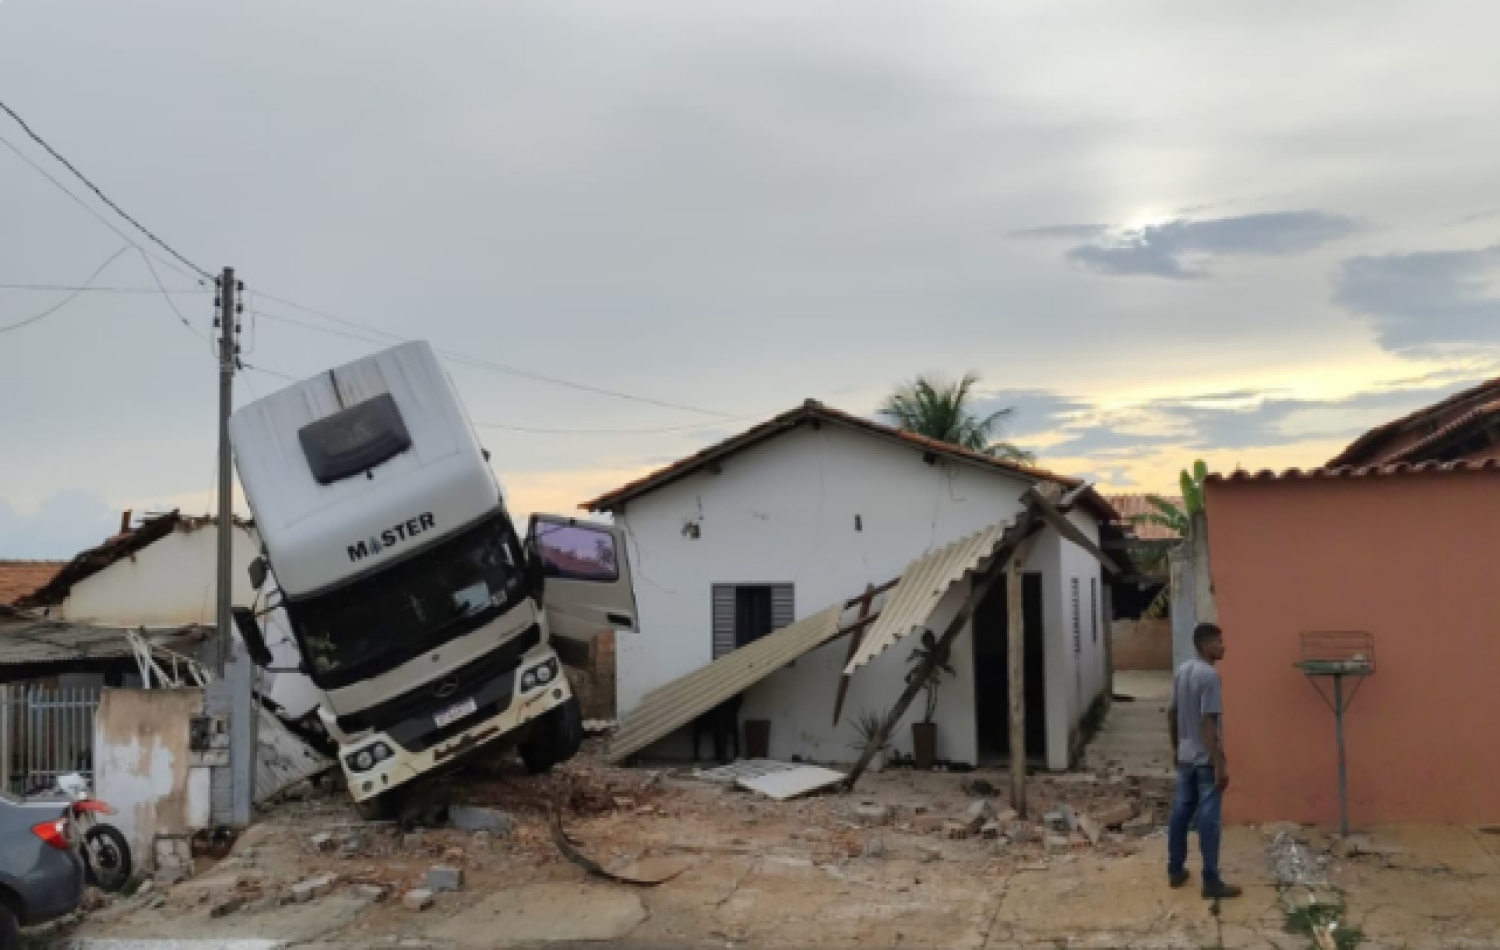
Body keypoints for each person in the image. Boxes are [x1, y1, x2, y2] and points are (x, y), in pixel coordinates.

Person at [1167, 622, 1241, 899]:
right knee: (1209, 819)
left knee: (1180, 813)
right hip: (1203, 757)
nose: (1224, 646)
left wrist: (1175, 748)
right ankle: (1211, 879)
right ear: (1206, 645)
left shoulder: (1182, 671)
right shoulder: (1209, 676)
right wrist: (1219, 762)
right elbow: (1208, 721)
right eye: (1219, 641)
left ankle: (1175, 869)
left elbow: (1172, 713)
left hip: (1185, 754)